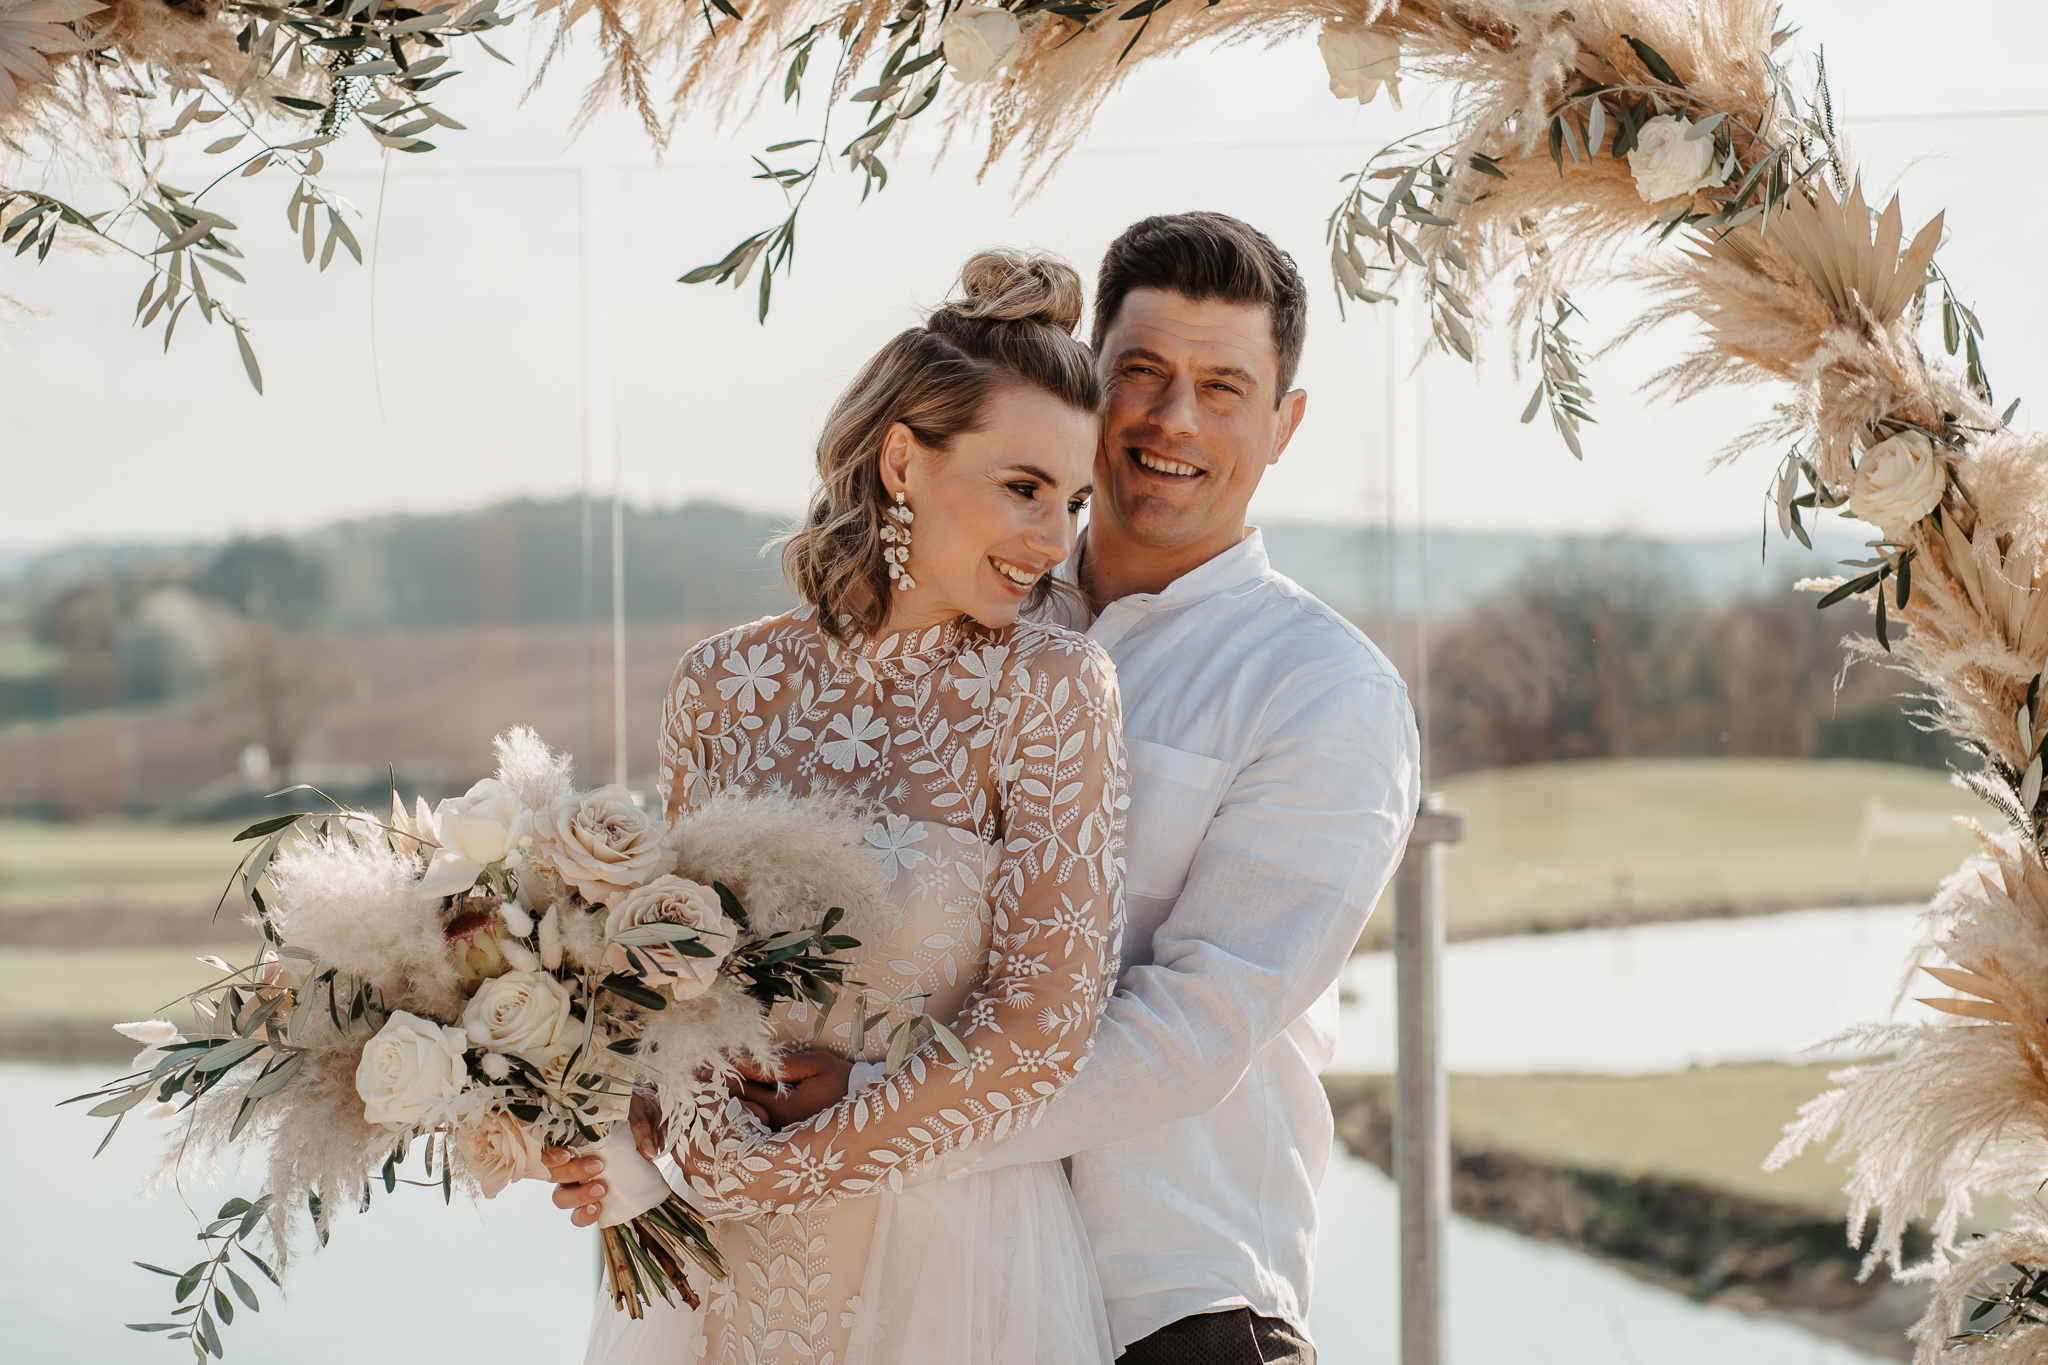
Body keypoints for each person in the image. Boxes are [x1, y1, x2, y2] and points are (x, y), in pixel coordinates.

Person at [560, 212, 1420, 1364]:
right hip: (827, 1260)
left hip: (1168, 1287)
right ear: (1090, 382)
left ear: (1284, 423)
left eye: (1222, 388)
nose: (1172, 419)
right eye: (1143, 375)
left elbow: (1198, 1026)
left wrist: (863, 1108)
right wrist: (653, 1128)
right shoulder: (970, 599)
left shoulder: (1321, 689)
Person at [560, 247, 1128, 1365]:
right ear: (904, 462)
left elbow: (1043, 1023)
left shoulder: (1054, 691)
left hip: (950, 1263)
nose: (1052, 541)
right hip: (719, 1266)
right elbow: (672, 980)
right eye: (1022, 488)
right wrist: (666, 1134)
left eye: (1071, 501)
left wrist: (790, 1165)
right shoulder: (720, 685)